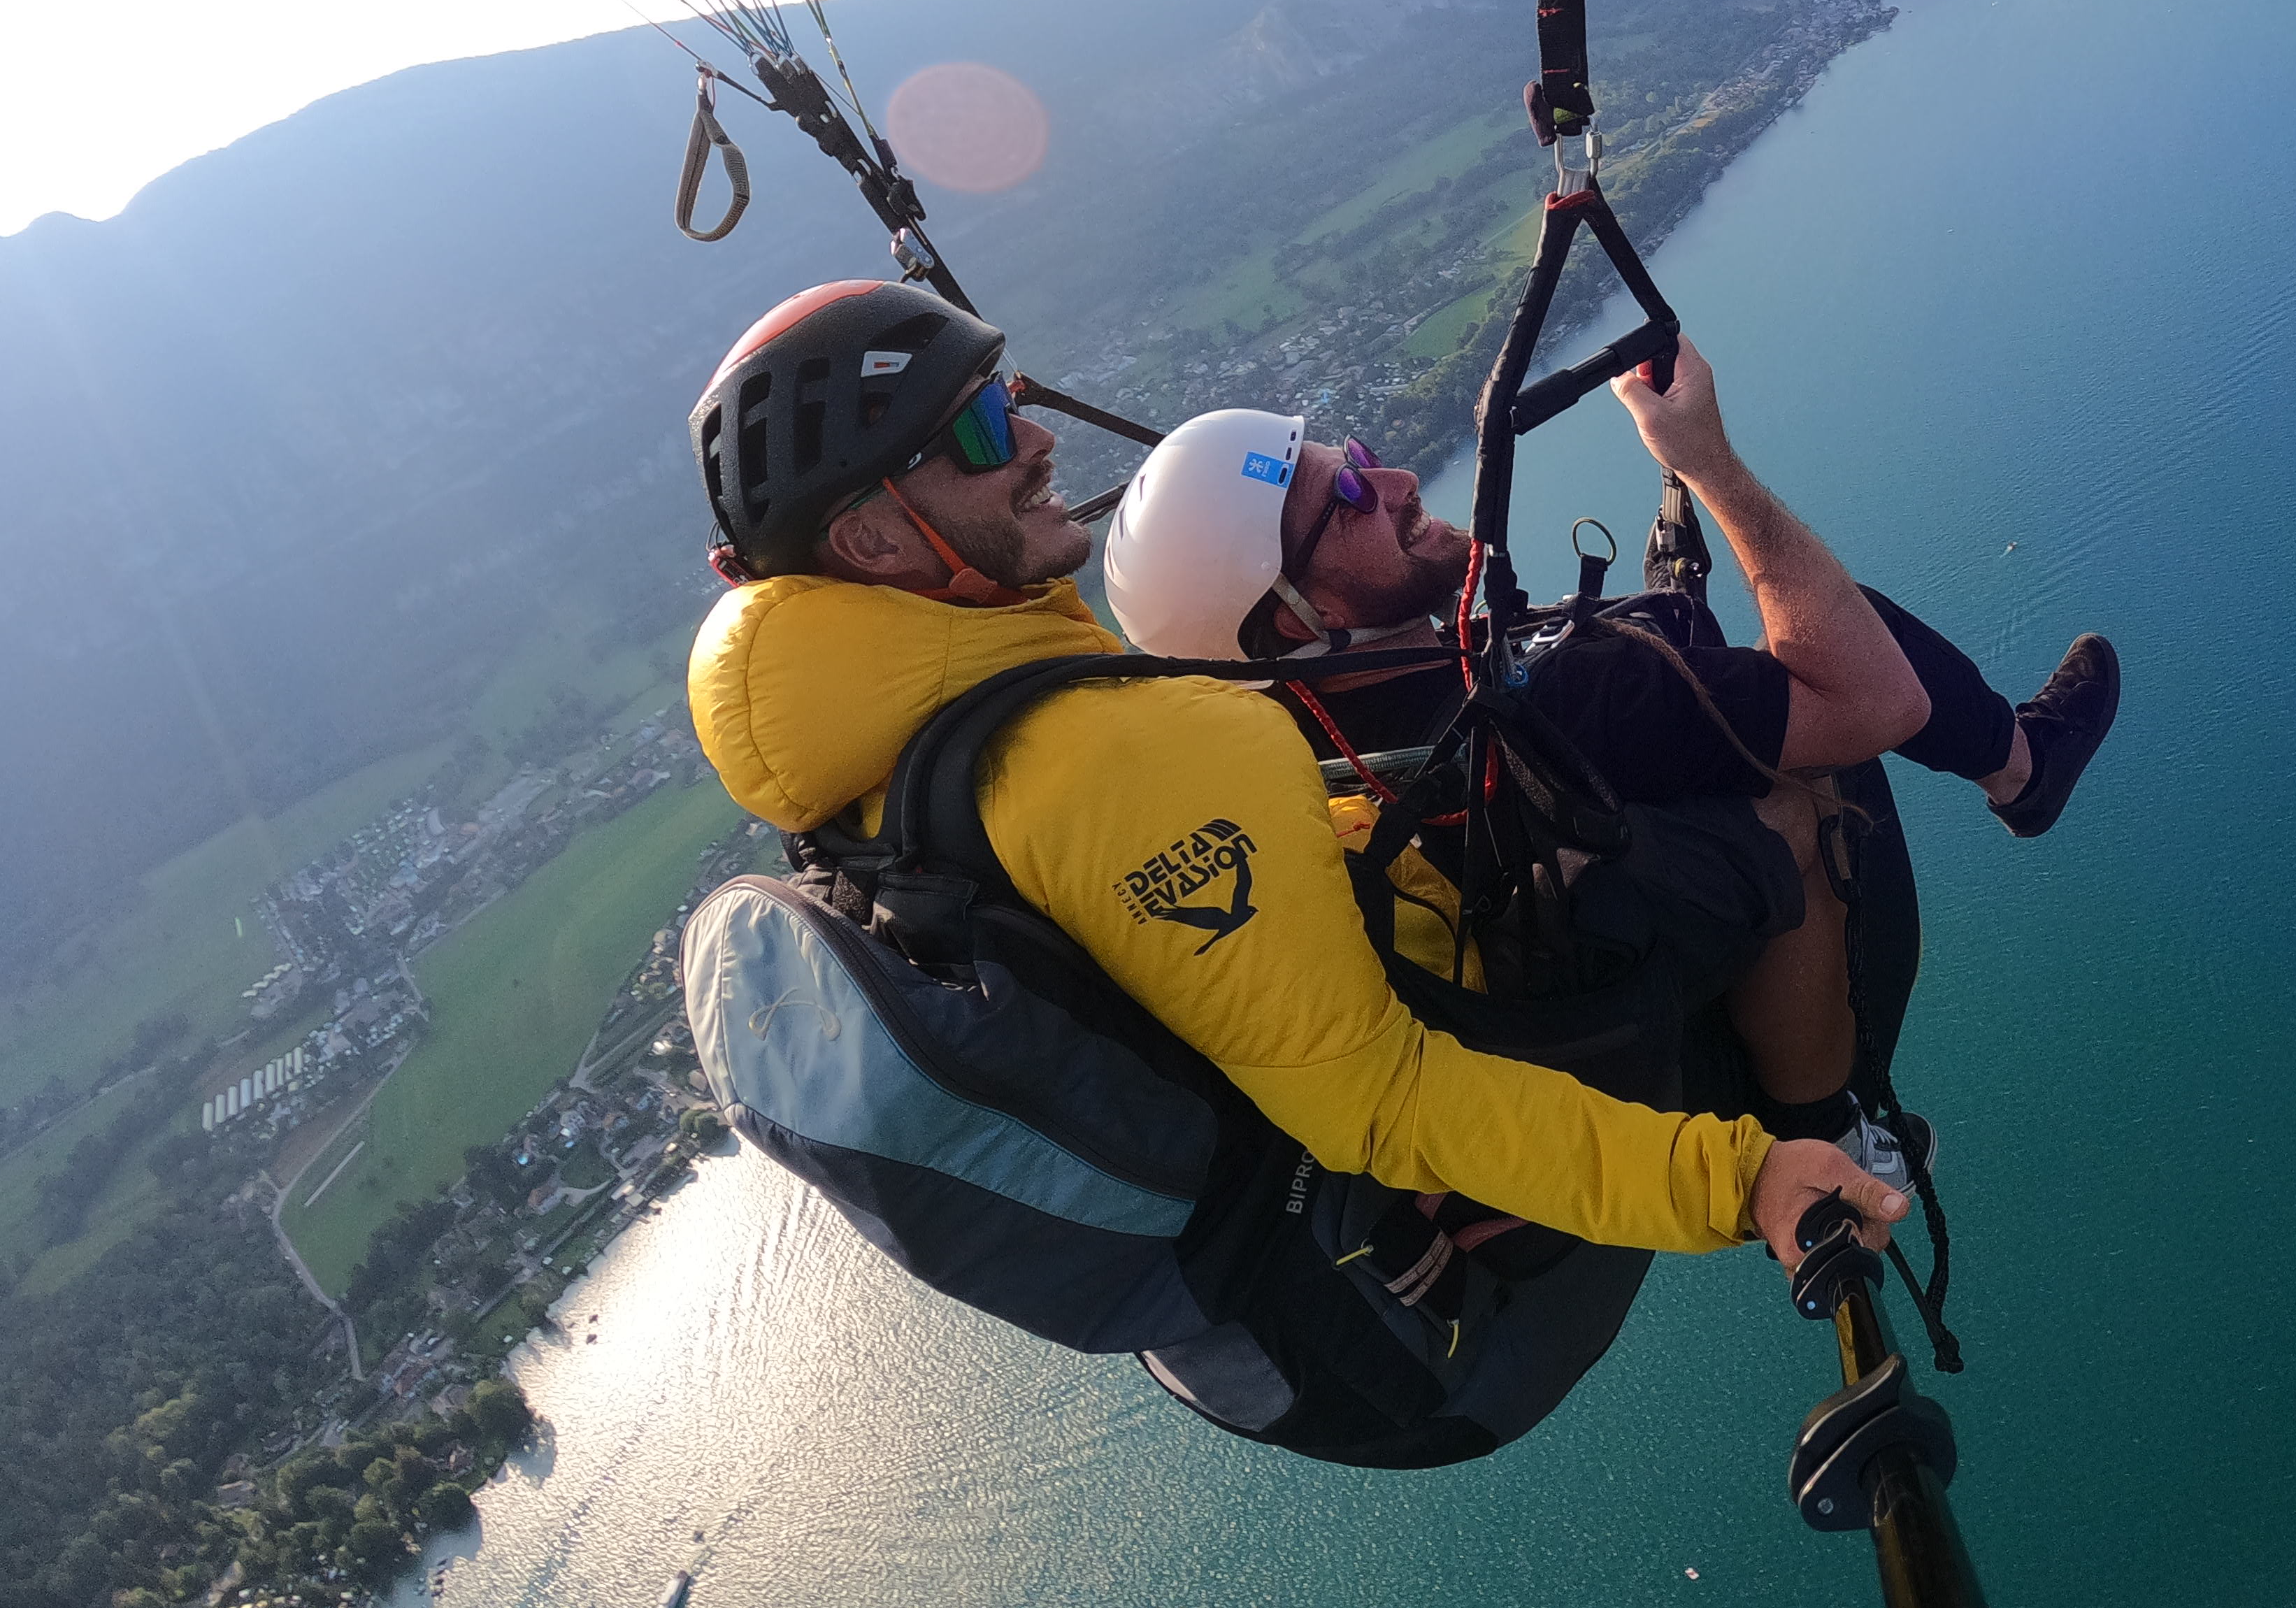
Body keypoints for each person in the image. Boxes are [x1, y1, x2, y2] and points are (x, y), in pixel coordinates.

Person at [680, 277, 1900, 1301]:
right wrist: (1741, 1181)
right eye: (986, 432)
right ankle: (1833, 1120)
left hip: (1278, 1106)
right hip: (1471, 1075)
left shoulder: (870, 759)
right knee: (1796, 810)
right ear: (874, 542)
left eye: (1010, 401)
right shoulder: (1121, 753)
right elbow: (1383, 1098)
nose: (1039, 441)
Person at [1093, 332, 2125, 1189]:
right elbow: (1877, 701)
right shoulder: (1554, 701)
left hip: (1531, 1005)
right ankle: (1835, 1123)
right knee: (1819, 717)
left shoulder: (1290, 754)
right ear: (1292, 617)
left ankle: (2017, 769)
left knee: (1776, 658)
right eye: (1352, 493)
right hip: (1635, 1007)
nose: (1397, 481)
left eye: (1356, 454)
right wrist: (1708, 463)